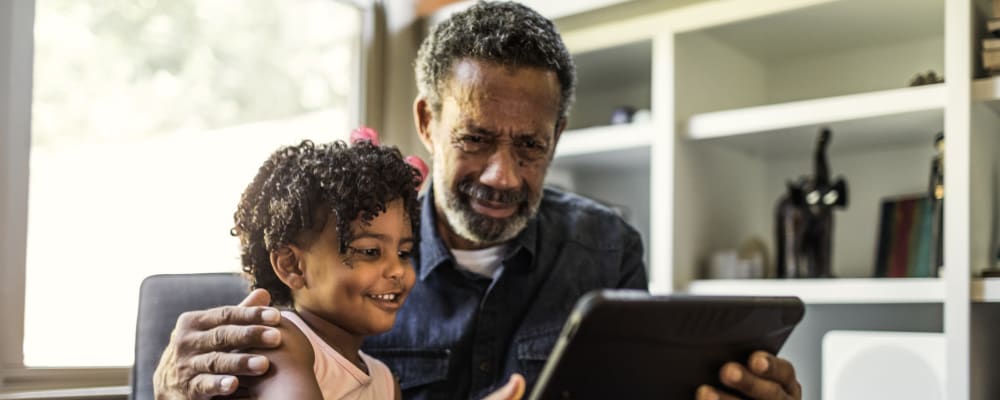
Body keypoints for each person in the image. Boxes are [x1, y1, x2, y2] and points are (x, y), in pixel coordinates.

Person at [152, 2, 802, 400]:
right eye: (477, 138)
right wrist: (171, 393)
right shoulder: (334, 253)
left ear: (558, 139)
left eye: (530, 146)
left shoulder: (607, 248)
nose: (503, 175)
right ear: (428, 123)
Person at [228, 139, 420, 399]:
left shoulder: (385, 381)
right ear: (292, 266)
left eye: (403, 253)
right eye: (370, 252)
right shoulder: (280, 342)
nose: (397, 269)